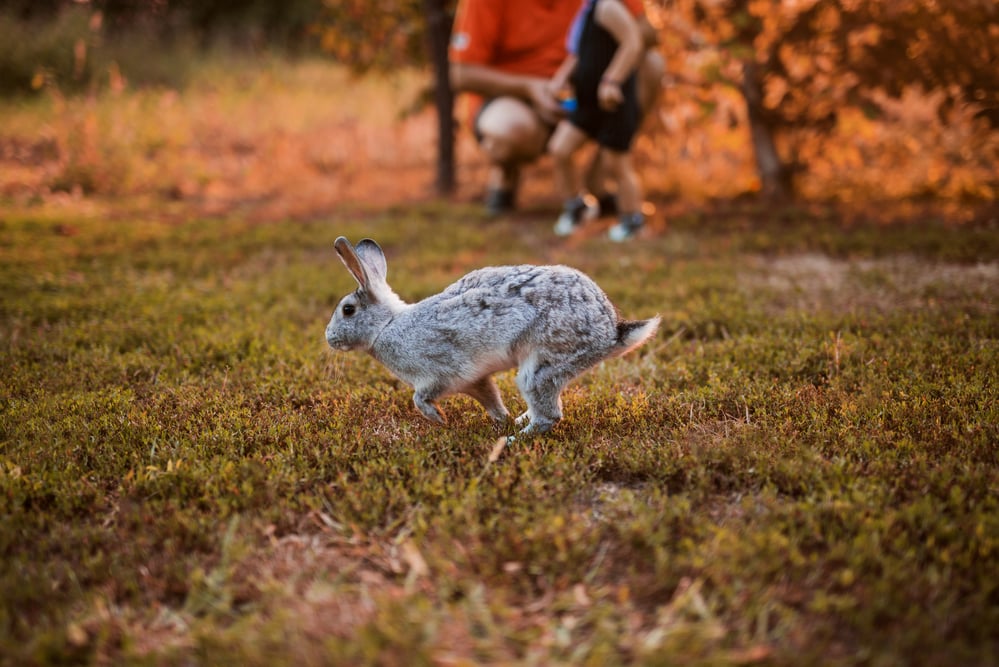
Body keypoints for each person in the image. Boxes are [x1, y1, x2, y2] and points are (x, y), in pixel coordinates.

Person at [448, 0, 662, 216]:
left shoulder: (603, 6)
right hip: (518, 98)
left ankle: (600, 180)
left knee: (652, 64)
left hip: (589, 90)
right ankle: (507, 176)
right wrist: (530, 88)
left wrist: (609, 74)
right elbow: (460, 74)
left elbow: (647, 33)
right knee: (515, 130)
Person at [548, 0, 645, 241]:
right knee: (560, 149)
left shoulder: (608, 7)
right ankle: (577, 208)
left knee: (617, 164)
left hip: (613, 102)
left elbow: (633, 42)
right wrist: (562, 77)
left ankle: (633, 220)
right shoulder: (588, 10)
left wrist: (612, 80)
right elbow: (581, 51)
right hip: (588, 103)